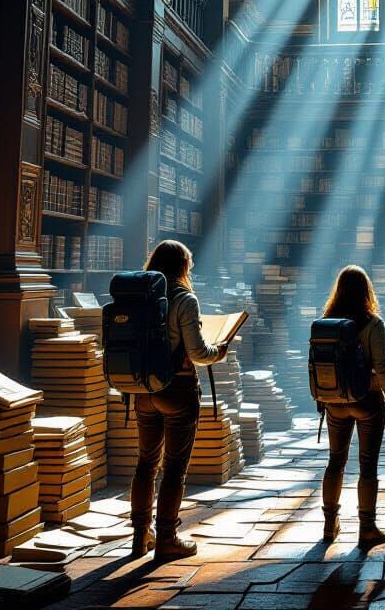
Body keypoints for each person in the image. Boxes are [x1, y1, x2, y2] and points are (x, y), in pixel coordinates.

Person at [130, 240, 229, 561]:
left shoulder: (140, 296)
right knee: (174, 469)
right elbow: (199, 353)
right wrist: (220, 351)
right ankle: (167, 539)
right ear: (183, 266)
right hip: (177, 391)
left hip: (142, 391)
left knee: (145, 464)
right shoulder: (184, 299)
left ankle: (140, 534)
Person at [319, 264, 385, 549]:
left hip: (335, 403)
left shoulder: (327, 321)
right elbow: (382, 366)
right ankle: (367, 527)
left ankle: (330, 525)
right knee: (368, 465)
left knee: (335, 461)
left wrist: (322, 399)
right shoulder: (373, 323)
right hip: (367, 401)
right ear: (367, 291)